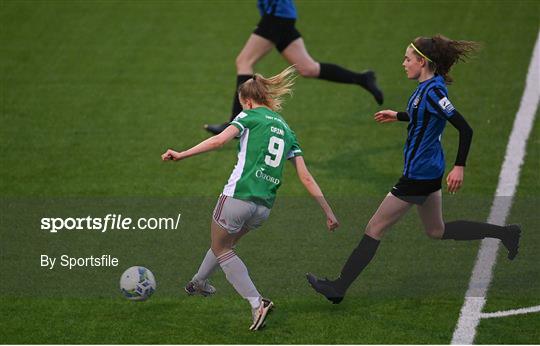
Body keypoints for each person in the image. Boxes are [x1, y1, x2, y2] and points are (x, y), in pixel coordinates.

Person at [306, 35, 522, 304]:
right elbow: (422, 113)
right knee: (436, 230)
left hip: (418, 175)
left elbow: (465, 128)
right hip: (428, 172)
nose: (403, 63)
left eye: (408, 59)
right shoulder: (426, 88)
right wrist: (398, 115)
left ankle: (338, 288)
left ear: (422, 62)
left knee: (374, 227)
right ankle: (506, 233)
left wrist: (459, 167)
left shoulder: (434, 92)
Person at [162, 66, 340, 329]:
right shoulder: (288, 131)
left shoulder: (249, 116)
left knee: (222, 248)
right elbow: (306, 177)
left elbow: (218, 141)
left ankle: (257, 303)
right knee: (225, 244)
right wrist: (328, 211)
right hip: (263, 208)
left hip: (238, 197)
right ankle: (198, 282)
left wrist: (181, 154)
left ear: (246, 101)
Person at [204, 0, 383, 135]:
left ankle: (235, 123)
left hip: (277, 15)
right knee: (308, 68)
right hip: (279, 15)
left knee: (244, 61)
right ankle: (362, 78)